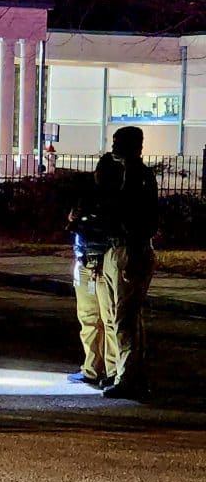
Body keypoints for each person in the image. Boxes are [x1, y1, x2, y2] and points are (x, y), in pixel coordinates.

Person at [101, 126, 158, 400]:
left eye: (118, 142)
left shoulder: (136, 176)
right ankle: (133, 373)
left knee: (124, 318)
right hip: (124, 249)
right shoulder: (133, 174)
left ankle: (128, 378)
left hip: (129, 251)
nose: (113, 146)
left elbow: (132, 215)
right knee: (127, 316)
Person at [66, 154, 123, 389]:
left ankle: (110, 371)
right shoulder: (88, 198)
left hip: (102, 263)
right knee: (90, 319)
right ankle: (92, 369)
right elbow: (72, 223)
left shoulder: (116, 201)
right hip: (85, 262)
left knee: (108, 320)